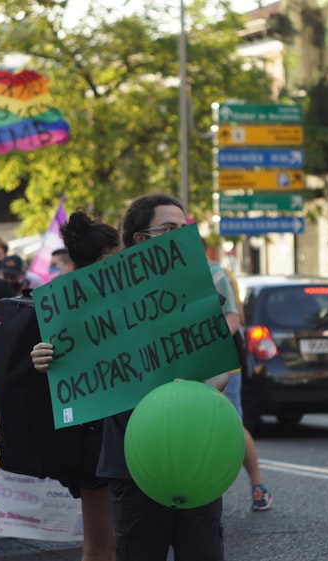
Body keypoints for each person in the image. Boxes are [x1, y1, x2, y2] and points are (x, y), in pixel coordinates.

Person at [104, 193, 228, 560]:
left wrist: (185, 400)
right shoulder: (104, 301)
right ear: (141, 238)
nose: (182, 236)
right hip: (134, 459)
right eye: (170, 229)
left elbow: (220, 368)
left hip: (196, 454)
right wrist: (47, 357)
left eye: (184, 228)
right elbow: (84, 365)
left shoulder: (200, 293)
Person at [29, 211, 121, 561]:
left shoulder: (60, 303)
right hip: (100, 436)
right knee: (103, 546)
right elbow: (42, 367)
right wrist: (39, 358)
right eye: (119, 255)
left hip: (104, 435)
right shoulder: (58, 306)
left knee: (106, 544)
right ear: (103, 259)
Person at [207, 250, 272, 511]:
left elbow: (235, 318)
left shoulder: (217, 274)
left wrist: (201, 346)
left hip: (221, 364)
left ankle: (259, 486)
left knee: (231, 423)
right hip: (189, 366)